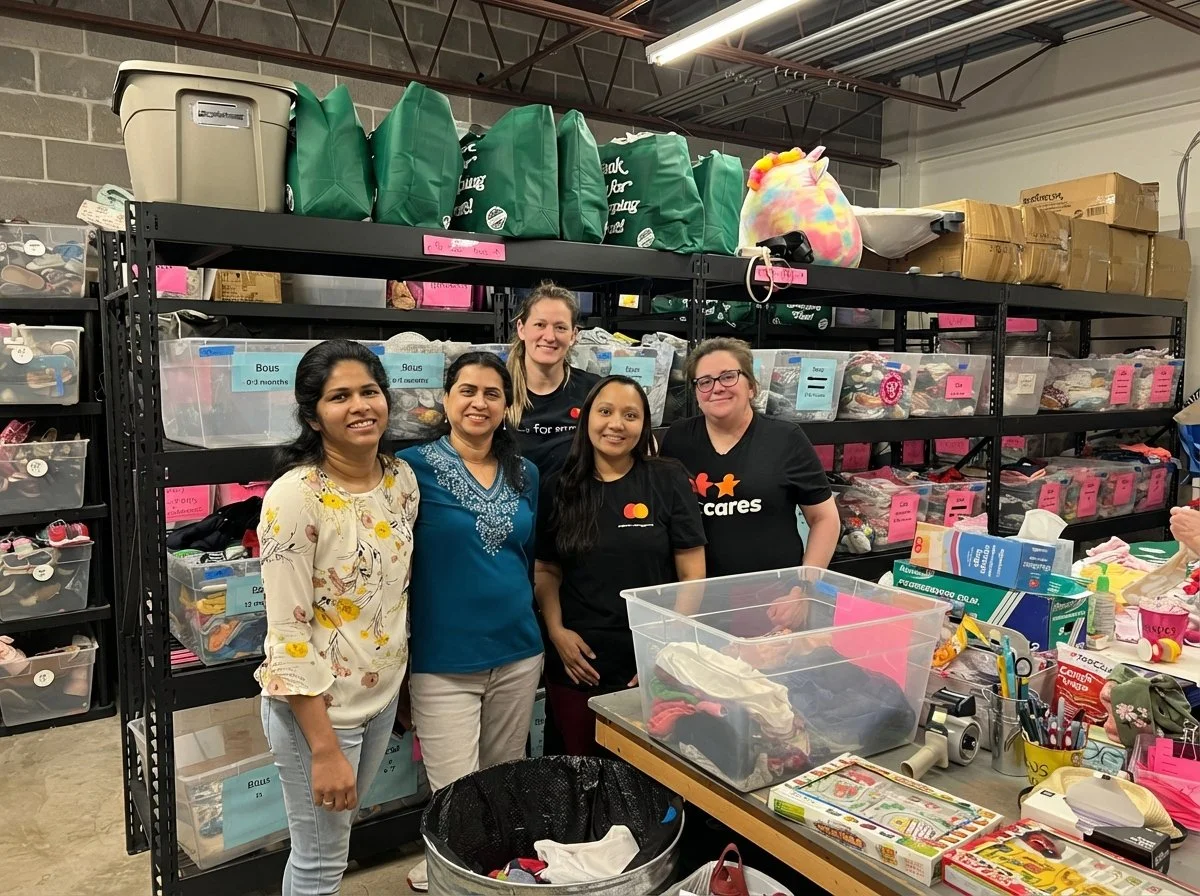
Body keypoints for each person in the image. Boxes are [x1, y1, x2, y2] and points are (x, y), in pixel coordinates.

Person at [255, 339, 419, 896]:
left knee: (331, 845)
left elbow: (393, 596)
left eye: (370, 391)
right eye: (339, 396)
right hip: (322, 714)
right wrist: (323, 749)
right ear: (312, 416)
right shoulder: (294, 498)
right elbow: (287, 635)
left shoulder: (400, 481)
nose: (360, 406)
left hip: (379, 697)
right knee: (321, 862)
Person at [398, 352, 542, 892]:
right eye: (467, 390)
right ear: (446, 399)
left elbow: (527, 554)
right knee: (455, 791)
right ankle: (456, 870)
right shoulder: (411, 468)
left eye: (492, 394)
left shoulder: (526, 472)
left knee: (503, 780)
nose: (479, 402)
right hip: (443, 658)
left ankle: (485, 872)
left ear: (508, 405)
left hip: (519, 651)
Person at [535, 376, 706, 755]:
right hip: (577, 659)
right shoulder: (559, 485)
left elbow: (692, 573)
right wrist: (557, 631)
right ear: (587, 419)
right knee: (580, 772)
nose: (616, 424)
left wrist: (660, 651)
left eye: (630, 415)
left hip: (651, 659)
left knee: (649, 776)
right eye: (606, 411)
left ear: (643, 425)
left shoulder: (667, 478)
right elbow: (546, 568)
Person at [659, 338, 840, 631]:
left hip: (774, 602)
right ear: (696, 392)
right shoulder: (678, 440)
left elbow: (825, 519)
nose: (717, 387)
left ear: (751, 386)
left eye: (729, 376)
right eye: (704, 381)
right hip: (700, 600)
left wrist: (804, 591)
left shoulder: (786, 439)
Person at [507, 282, 600, 481]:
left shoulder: (594, 391)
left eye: (560, 327)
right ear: (521, 328)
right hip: (511, 508)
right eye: (540, 325)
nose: (549, 337)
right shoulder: (497, 389)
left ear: (573, 335)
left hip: (574, 507)